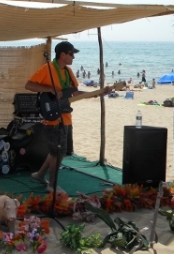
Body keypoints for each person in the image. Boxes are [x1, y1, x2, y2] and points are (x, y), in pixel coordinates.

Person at [25, 42, 111, 193]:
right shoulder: (47, 69)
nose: (73, 57)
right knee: (58, 151)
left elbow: (75, 93)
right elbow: (29, 85)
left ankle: (40, 175)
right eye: (71, 54)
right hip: (52, 118)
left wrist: (98, 93)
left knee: (56, 150)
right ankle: (52, 185)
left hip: (65, 117)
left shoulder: (69, 72)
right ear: (62, 54)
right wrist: (49, 89)